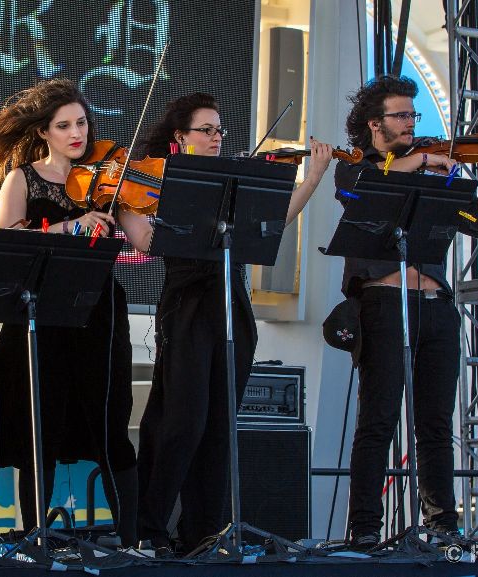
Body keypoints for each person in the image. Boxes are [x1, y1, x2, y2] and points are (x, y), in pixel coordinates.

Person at [0, 79, 151, 547]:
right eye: (64, 126)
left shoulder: (108, 177)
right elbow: (7, 244)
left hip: (98, 314)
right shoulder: (23, 177)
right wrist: (70, 225)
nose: (77, 133)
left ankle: (135, 541)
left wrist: (159, 207)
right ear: (44, 132)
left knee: (110, 424)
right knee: (38, 431)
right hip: (40, 316)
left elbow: (143, 239)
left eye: (81, 122)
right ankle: (34, 538)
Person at [133, 93, 332, 554]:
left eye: (220, 129)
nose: (217, 137)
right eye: (206, 130)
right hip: (186, 307)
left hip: (232, 305)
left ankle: (202, 531)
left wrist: (314, 177)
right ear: (180, 138)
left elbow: (271, 223)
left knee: (221, 425)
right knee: (183, 420)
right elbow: (149, 240)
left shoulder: (237, 180)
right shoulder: (162, 179)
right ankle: (149, 526)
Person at [334, 75, 478, 550]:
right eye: (402, 115)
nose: (411, 124)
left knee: (436, 424)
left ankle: (442, 524)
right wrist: (421, 162)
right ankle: (366, 528)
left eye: (414, 116)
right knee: (377, 420)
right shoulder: (359, 165)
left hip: (436, 304)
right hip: (383, 302)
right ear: (376, 124)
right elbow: (357, 193)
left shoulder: (434, 171)